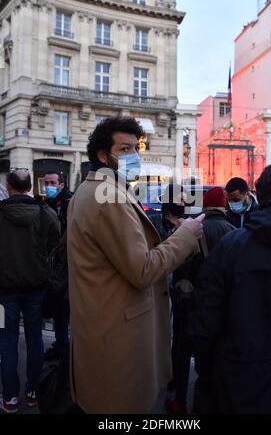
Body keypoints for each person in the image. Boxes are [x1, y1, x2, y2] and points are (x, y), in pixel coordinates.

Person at [67, 117, 205, 414]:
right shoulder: (109, 198)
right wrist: (185, 236)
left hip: (104, 327)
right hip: (118, 337)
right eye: (125, 148)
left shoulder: (94, 190)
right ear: (104, 156)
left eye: (136, 148)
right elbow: (142, 270)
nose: (134, 156)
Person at [192, 161, 271, 414]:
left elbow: (204, 327)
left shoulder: (231, 247)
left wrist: (208, 379)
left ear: (259, 196)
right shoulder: (231, 244)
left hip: (239, 386)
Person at [165, 187, 235, 414]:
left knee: (182, 349)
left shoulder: (193, 228)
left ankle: (179, 400)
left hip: (189, 301)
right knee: (214, 353)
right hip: (219, 306)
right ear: (224, 205)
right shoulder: (233, 232)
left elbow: (179, 263)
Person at [0, 170, 60, 413]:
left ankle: (10, 398)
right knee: (35, 338)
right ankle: (33, 390)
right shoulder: (45, 213)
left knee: (7, 341)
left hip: (3, 292)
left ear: (8, 185)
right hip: (36, 288)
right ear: (29, 186)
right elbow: (56, 244)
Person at [44, 172, 72, 361]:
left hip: (66, 265)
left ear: (61, 185)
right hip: (58, 264)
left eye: (52, 183)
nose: (48, 186)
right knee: (59, 309)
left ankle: (63, 345)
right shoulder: (51, 203)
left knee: (63, 309)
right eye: (46, 183)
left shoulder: (67, 204)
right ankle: (61, 342)